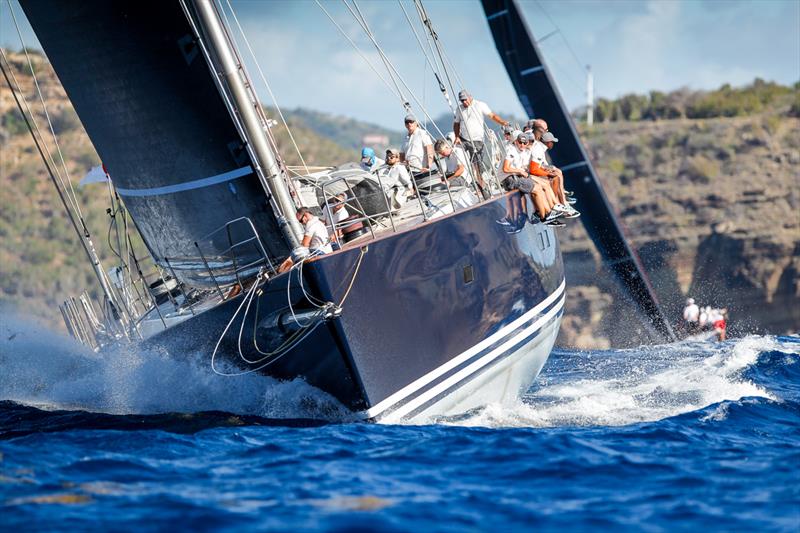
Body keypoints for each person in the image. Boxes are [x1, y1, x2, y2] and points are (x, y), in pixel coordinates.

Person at [453, 89, 509, 198]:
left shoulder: (479, 105)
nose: (464, 102)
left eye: (465, 100)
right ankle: (474, 183)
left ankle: (482, 185)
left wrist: (503, 122)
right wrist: (456, 136)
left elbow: (492, 115)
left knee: (477, 164)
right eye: (462, 100)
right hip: (464, 139)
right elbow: (456, 124)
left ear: (470, 97)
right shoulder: (459, 109)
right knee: (462, 157)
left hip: (477, 140)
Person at [498, 131, 562, 225]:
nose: (522, 145)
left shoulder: (524, 151)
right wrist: (520, 171)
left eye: (525, 143)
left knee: (541, 185)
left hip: (516, 176)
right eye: (520, 142)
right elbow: (506, 168)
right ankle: (546, 215)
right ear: (516, 142)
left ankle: (548, 211)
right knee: (537, 189)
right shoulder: (511, 150)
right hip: (508, 178)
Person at [530, 130, 579, 219]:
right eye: (552, 142)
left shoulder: (541, 148)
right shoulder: (538, 149)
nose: (553, 144)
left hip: (535, 170)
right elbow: (533, 169)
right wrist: (547, 173)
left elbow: (540, 164)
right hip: (530, 173)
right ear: (548, 143)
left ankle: (562, 202)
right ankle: (557, 203)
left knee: (557, 172)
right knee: (555, 178)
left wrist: (548, 169)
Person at [277, 207, 333, 272]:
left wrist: (290, 258)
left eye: (301, 220)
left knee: (296, 256)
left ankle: (283, 273)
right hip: (328, 251)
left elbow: (305, 245)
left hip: (319, 253)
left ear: (306, 215)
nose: (302, 223)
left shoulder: (310, 224)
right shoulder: (318, 221)